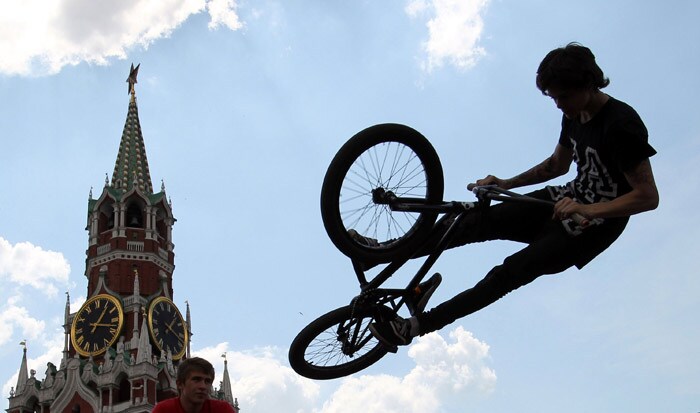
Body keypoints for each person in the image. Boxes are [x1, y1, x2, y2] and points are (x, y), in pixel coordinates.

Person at [368, 42, 659, 346]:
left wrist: (589, 210)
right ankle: (383, 252)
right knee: (472, 220)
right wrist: (505, 184)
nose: (558, 105)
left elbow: (647, 196)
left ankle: (414, 327)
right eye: (553, 97)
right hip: (564, 199)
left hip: (592, 227)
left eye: (563, 97)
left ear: (587, 83)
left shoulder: (621, 125)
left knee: (508, 273)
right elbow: (556, 165)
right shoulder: (575, 114)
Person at [152, 357, 236, 413]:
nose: (203, 386)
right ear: (180, 384)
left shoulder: (222, 410)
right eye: (196, 379)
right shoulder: (163, 410)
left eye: (207, 381)